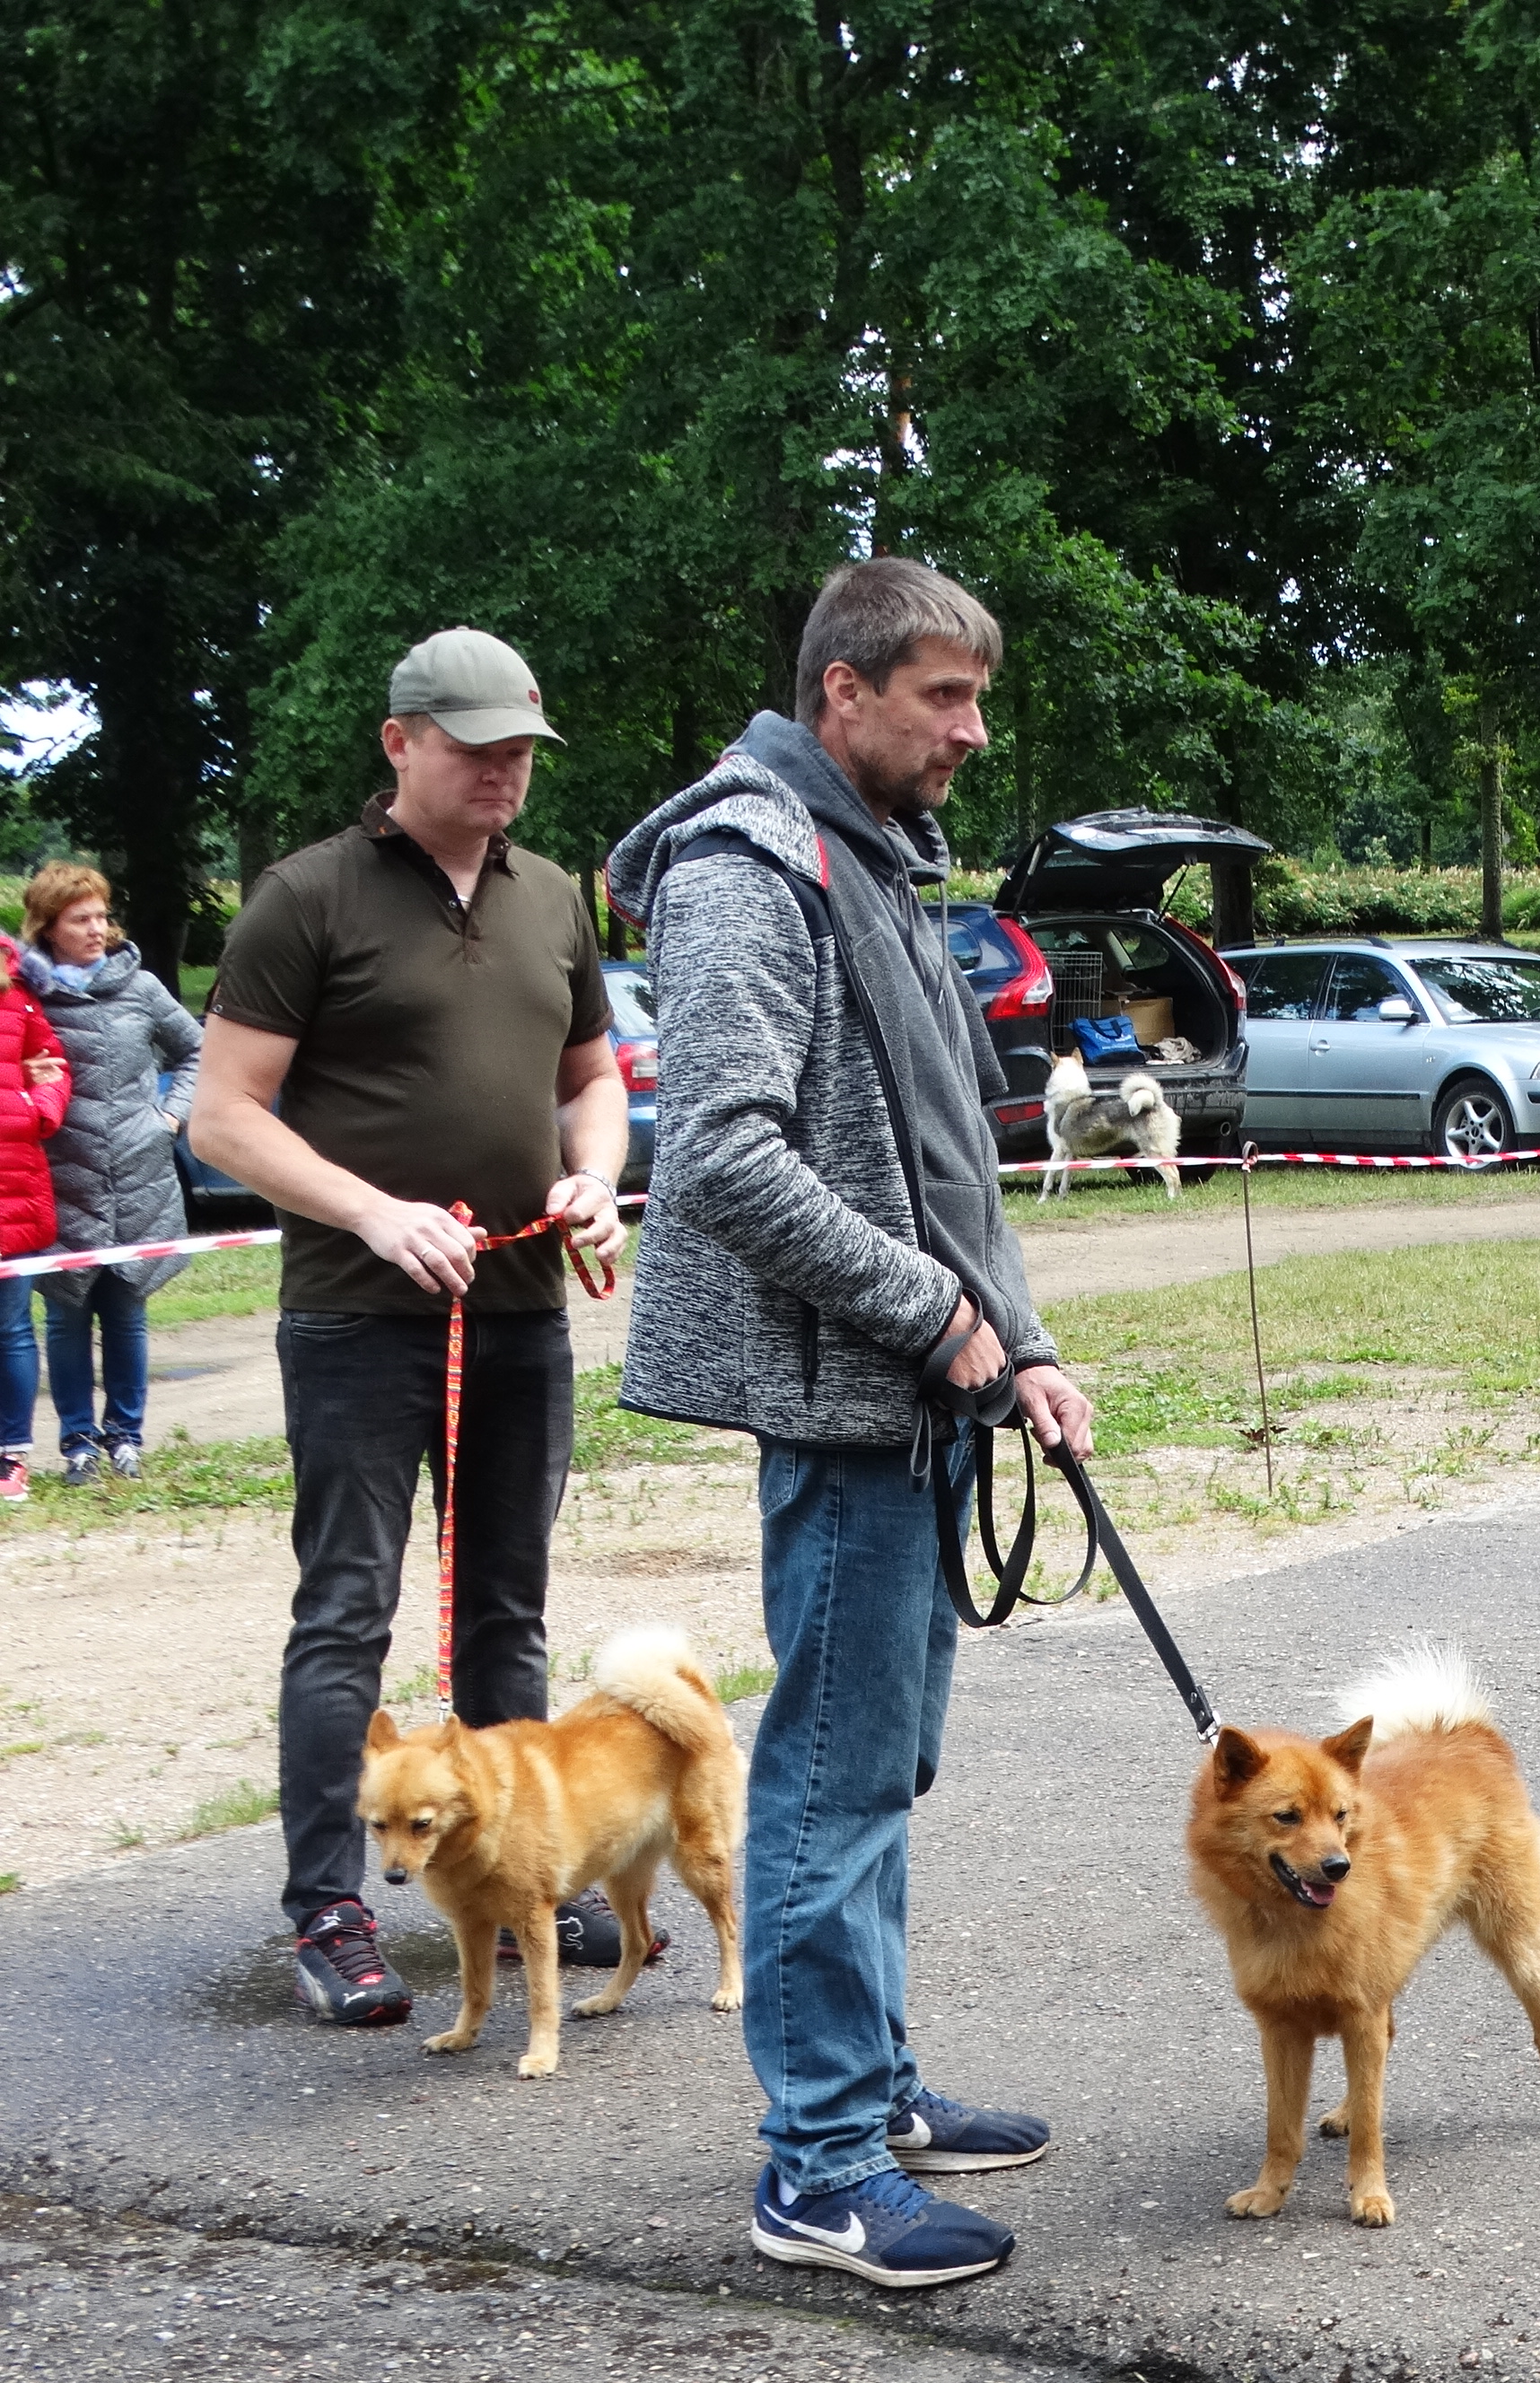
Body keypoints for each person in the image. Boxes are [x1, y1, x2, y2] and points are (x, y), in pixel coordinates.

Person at [608, 556, 1089, 2291]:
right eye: (944, 697)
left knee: (877, 1769)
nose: (973, 731)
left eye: (976, 697)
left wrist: (1017, 1344)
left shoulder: (872, 859)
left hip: (923, 1390)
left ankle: (871, 2090)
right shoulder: (748, 864)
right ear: (842, 692)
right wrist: (935, 1317)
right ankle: (816, 2170)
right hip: (846, 1401)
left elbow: (943, 1156)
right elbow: (721, 1156)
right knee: (826, 1783)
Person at [191, 628, 630, 2027]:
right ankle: (331, 1909)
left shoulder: (551, 896)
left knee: (508, 1611)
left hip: (517, 1309)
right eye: (474, 746)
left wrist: (594, 1177)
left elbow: (593, 1079)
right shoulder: (305, 897)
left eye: (520, 750)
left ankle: (518, 1868)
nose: (504, 771)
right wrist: (374, 1212)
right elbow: (222, 1118)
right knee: (347, 1611)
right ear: (400, 743)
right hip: (359, 1319)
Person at [18, 863, 205, 1485]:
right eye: (81, 919)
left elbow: (196, 1049)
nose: (97, 928)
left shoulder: (141, 987)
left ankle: (126, 1437)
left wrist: (171, 1116)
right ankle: (78, 1443)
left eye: (102, 916)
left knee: (126, 1312)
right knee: (66, 1315)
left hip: (136, 1173)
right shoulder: (24, 995)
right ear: (48, 927)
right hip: (59, 1176)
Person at [0, 933, 70, 1503]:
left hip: (13, 1184)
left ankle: (11, 1455)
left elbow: (55, 1067)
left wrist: (32, 1109)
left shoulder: (18, 995)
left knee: (10, 1326)